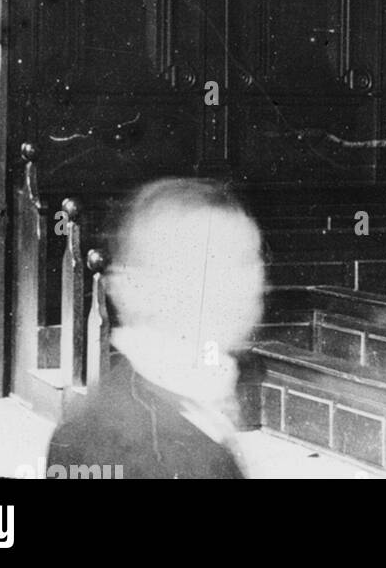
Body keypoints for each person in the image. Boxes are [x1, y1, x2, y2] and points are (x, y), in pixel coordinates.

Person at [47, 177, 266, 479]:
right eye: (219, 267)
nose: (253, 284)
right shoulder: (112, 440)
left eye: (250, 261)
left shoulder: (196, 394)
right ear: (145, 287)